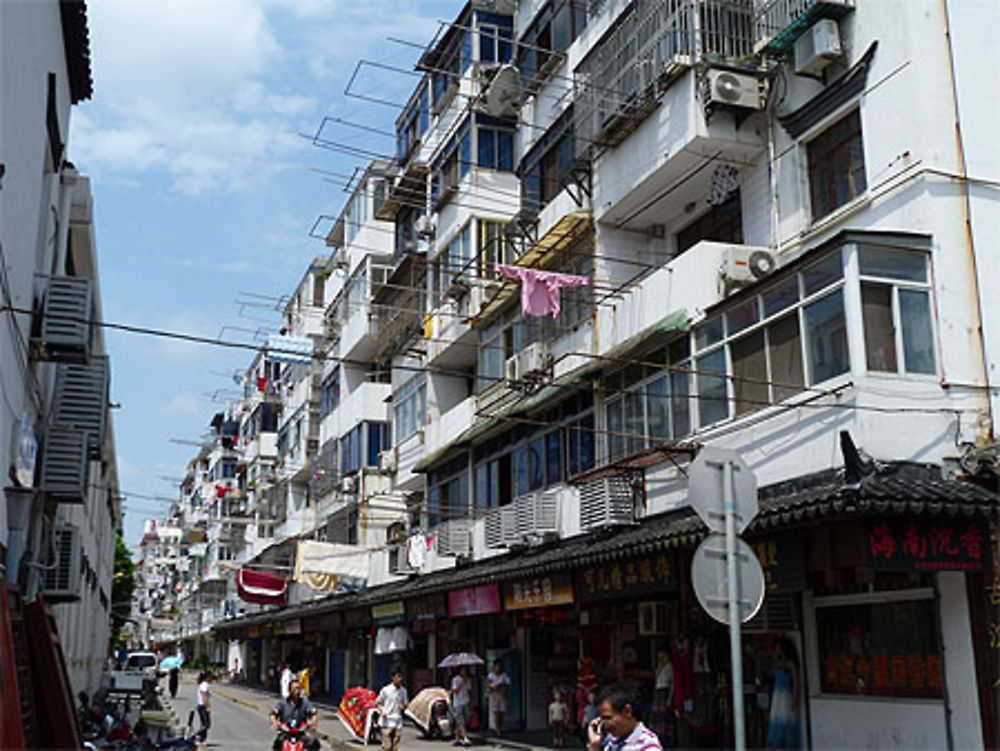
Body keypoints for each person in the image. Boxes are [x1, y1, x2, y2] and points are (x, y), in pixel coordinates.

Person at [586, 685, 663, 751]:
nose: (606, 726)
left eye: (608, 718)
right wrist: (595, 746)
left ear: (627, 711)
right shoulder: (612, 743)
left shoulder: (648, 744)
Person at [767, 639, 800, 750]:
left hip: (786, 697)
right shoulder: (779, 663)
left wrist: (794, 698)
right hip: (778, 697)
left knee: (785, 723)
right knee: (777, 724)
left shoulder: (790, 664)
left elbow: (796, 681)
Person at [269, 678, 320, 751]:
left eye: (299, 689)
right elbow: (273, 713)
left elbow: (313, 713)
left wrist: (313, 723)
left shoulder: (304, 703)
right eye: (295, 689)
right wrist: (274, 722)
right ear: (290, 690)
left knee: (314, 743)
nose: (297, 691)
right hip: (286, 733)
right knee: (277, 743)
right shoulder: (283, 703)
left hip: (300, 733)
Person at [376, 669, 409, 751]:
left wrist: (403, 707)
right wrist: (382, 711)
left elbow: (406, 704)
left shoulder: (403, 691)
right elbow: (378, 703)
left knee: (395, 747)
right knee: (387, 747)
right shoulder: (386, 690)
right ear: (393, 678)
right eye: (398, 677)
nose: (400, 679)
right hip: (386, 721)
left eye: (401, 677)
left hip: (398, 720)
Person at [650, 648, 674, 745]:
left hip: (664, 690)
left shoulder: (670, 666)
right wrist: (659, 666)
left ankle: (665, 738)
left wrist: (670, 697)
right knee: (657, 715)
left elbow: (672, 683)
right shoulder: (660, 666)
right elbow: (657, 677)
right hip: (658, 690)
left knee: (664, 716)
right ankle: (657, 736)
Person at [486, 659, 510, 736]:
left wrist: (502, 687)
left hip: (502, 696)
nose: (498, 668)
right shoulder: (491, 675)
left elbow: (507, 684)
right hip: (494, 696)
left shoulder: (504, 675)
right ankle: (497, 729)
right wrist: (493, 687)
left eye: (499, 666)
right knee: (496, 712)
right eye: (497, 666)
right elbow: (488, 685)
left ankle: (500, 726)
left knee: (501, 712)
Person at [450, 665, 472, 746]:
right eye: (462, 670)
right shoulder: (455, 679)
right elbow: (455, 691)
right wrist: (462, 683)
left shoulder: (468, 680)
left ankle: (457, 738)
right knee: (460, 720)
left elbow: (469, 691)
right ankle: (465, 738)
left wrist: (471, 702)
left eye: (465, 670)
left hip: (466, 701)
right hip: (458, 703)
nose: (464, 672)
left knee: (464, 720)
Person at [196, 672, 213, 745]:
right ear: (207, 678)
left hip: (202, 706)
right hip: (202, 706)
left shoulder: (204, 685)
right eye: (211, 677)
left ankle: (202, 740)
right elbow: (204, 696)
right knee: (206, 724)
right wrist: (207, 707)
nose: (212, 679)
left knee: (205, 724)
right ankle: (197, 736)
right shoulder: (204, 685)